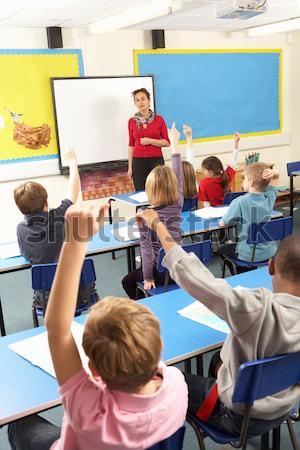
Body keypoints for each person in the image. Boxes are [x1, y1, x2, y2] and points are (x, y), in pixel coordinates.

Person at [8, 202, 188, 450]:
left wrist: (76, 240)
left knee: (19, 425)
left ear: (92, 369)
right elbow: (58, 329)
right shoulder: (176, 384)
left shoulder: (89, 410)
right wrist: (76, 239)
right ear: (160, 346)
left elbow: (57, 328)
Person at [136, 207, 300, 438]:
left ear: (271, 266)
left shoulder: (256, 308)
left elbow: (194, 276)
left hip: (237, 416)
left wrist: (157, 225)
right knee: (218, 357)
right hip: (285, 406)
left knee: (163, 377)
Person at [122, 122, 183, 299]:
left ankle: (144, 305)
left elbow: (146, 249)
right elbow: (177, 175)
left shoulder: (145, 215)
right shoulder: (178, 201)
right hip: (179, 267)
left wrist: (148, 277)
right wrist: (175, 143)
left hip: (159, 271)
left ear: (150, 191)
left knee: (127, 281)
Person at [14, 149, 80, 264]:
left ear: (21, 208)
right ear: (46, 202)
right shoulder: (59, 217)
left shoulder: (21, 229)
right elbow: (73, 191)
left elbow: (25, 254)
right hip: (71, 280)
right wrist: (73, 161)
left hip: (43, 281)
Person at [218, 164, 279, 274]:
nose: (243, 182)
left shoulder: (240, 201)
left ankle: (242, 273)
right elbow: (275, 180)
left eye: (244, 178)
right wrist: (273, 173)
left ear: (251, 182)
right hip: (270, 252)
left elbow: (223, 223)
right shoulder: (269, 198)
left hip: (248, 255)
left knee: (222, 249)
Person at [127, 88, 170, 191]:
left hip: (156, 161)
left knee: (159, 190)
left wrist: (150, 141)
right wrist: (130, 167)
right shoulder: (131, 122)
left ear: (148, 100)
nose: (140, 102)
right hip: (138, 162)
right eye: (137, 100)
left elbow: (167, 142)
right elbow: (131, 145)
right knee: (140, 192)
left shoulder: (159, 120)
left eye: (143, 99)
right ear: (135, 103)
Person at [198, 132, 240, 207]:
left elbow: (206, 205)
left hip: (214, 213)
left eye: (204, 170)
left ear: (210, 172)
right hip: (229, 210)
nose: (202, 172)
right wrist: (236, 144)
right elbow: (233, 161)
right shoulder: (226, 176)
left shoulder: (203, 183)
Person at [182, 125, 198, 211]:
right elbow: (191, 160)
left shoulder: (175, 194)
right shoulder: (196, 187)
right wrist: (189, 137)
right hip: (193, 222)